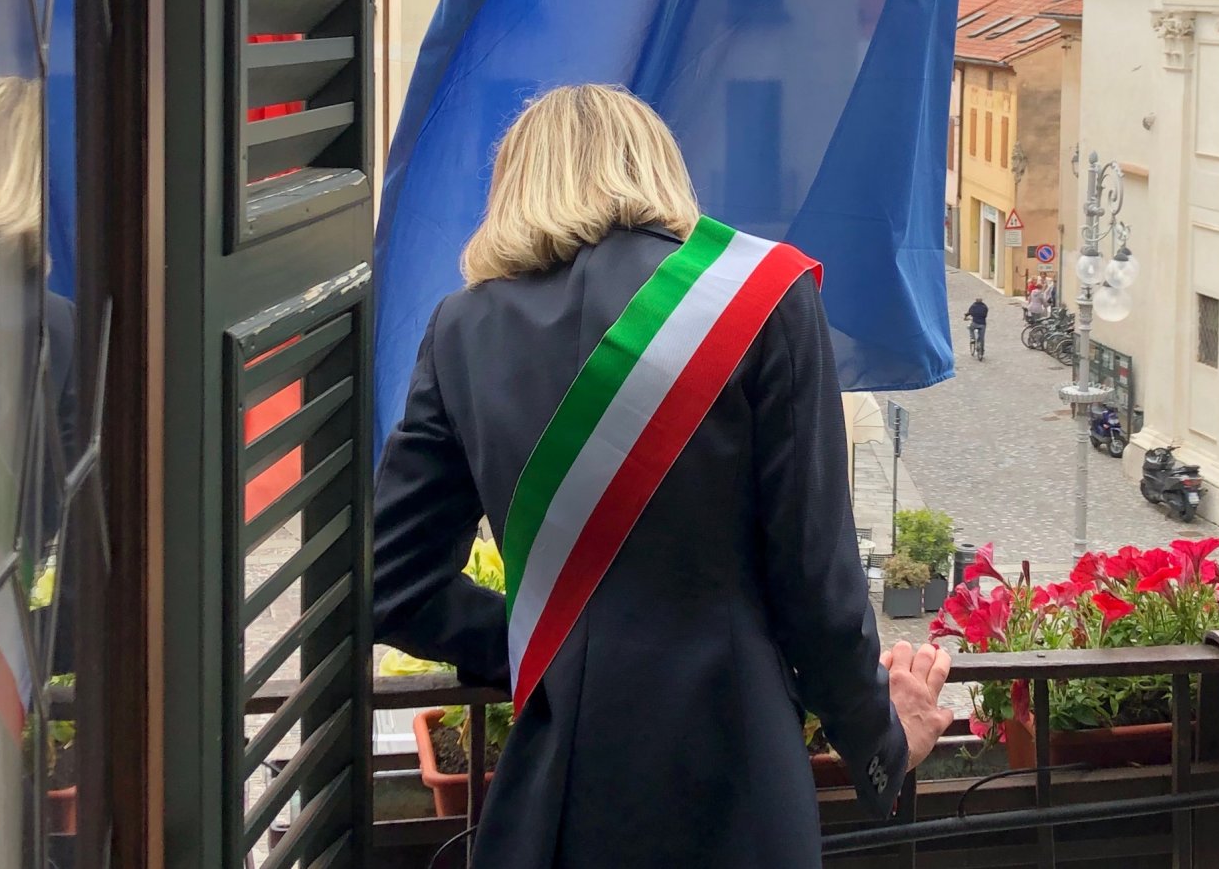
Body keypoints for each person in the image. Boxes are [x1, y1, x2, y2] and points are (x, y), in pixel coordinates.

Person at [373, 85, 953, 867]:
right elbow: (817, 582)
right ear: (658, 169)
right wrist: (884, 739)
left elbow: (394, 583)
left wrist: (543, 644)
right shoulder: (764, 299)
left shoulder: (459, 329)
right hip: (736, 782)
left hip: (555, 795)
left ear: (515, 186)